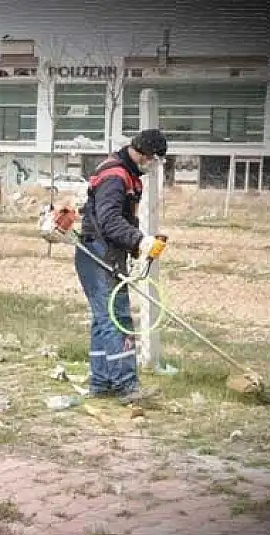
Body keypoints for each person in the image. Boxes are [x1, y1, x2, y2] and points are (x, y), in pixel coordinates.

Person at [74, 129, 168, 404]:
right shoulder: (116, 176)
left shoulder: (127, 174)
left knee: (103, 319)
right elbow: (110, 221)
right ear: (142, 152)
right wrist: (141, 240)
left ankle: (102, 383)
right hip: (98, 253)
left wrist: (137, 246)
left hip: (104, 252)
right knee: (116, 319)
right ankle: (127, 387)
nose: (153, 165)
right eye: (153, 159)